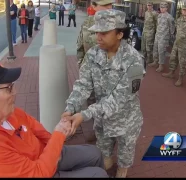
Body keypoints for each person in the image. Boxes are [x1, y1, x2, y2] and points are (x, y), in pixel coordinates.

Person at [0, 60, 108, 178]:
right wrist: (58, 136)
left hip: (46, 155)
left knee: (95, 154)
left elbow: (35, 127)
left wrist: (54, 149)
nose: (15, 92)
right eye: (9, 88)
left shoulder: (4, 112)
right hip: (40, 172)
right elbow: (39, 173)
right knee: (99, 175)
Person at [62, 9, 145, 178]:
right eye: (97, 32)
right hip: (102, 122)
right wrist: (70, 109)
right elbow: (83, 85)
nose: (98, 37)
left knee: (123, 162)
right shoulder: (92, 55)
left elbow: (119, 99)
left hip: (126, 123)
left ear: (120, 34)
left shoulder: (135, 60)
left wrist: (83, 115)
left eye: (104, 33)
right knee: (104, 158)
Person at [76, 0, 113, 142]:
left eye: (110, 5)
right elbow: (80, 48)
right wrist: (82, 69)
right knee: (92, 104)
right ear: (94, 7)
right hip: (91, 76)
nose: (109, 8)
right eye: (105, 5)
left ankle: (109, 136)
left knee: (108, 106)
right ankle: (97, 131)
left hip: (108, 77)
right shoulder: (87, 24)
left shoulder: (117, 25)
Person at [162, 4, 186, 87]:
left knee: (182, 63)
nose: (184, 11)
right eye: (183, 10)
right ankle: (171, 73)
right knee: (173, 58)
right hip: (176, 44)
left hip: (185, 46)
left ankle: (180, 78)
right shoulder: (179, 20)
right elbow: (176, 31)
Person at [148, 2, 175, 73]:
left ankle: (161, 65)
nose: (162, 9)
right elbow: (158, 25)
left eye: (163, 7)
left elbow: (172, 28)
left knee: (161, 51)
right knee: (155, 49)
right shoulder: (159, 16)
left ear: (166, 8)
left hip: (164, 37)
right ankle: (155, 61)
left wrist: (169, 36)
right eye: (161, 7)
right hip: (158, 35)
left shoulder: (169, 17)